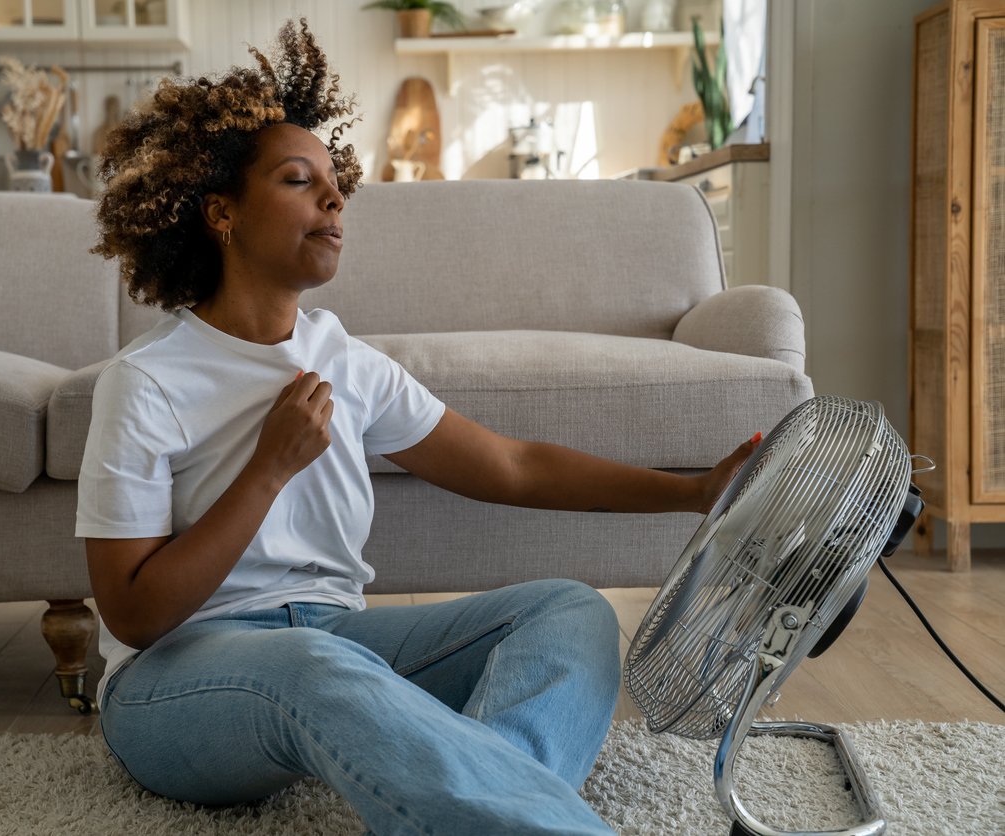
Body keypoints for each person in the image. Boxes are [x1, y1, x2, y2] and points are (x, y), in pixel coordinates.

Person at [79, 19, 758, 835]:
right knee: (316, 663)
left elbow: (511, 466)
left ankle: (486, 804)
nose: (334, 198)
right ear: (221, 213)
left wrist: (696, 493)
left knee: (569, 614)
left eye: (335, 182)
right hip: (173, 683)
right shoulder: (147, 381)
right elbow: (132, 615)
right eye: (298, 180)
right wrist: (267, 470)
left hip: (335, 643)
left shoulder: (344, 361)